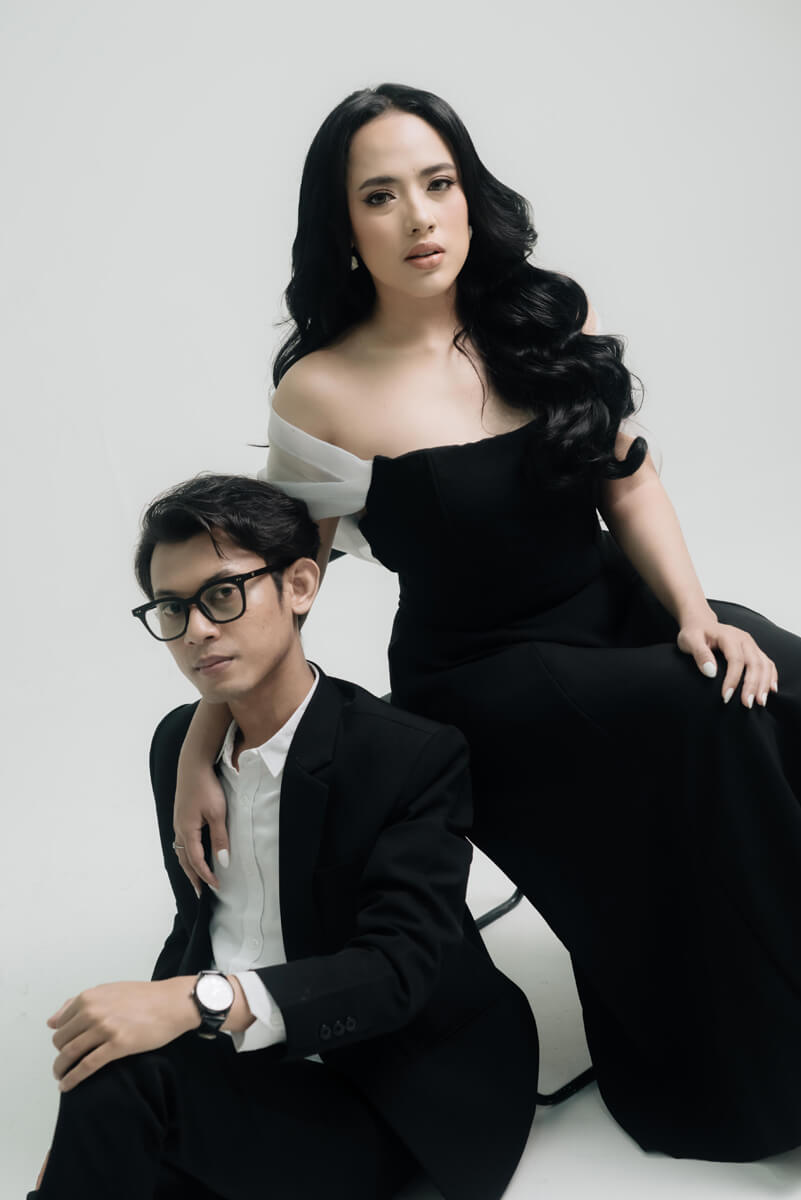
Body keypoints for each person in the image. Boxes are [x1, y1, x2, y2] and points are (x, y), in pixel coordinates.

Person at [173, 85, 801, 1162]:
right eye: (381, 195)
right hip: (486, 673)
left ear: (471, 195)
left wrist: (697, 614)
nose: (419, 217)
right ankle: (760, 1074)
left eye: (439, 183)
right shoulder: (322, 390)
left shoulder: (544, 320)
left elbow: (629, 485)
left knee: (768, 672)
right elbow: (281, 581)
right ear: (343, 227)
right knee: (709, 715)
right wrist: (206, 736)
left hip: (610, 607)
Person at [29, 473, 540, 1200]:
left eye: (221, 594)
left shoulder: (407, 757)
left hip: (393, 1089)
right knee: (109, 1073)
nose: (196, 630)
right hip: (253, 1070)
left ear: (299, 585)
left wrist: (195, 1001)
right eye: (172, 608)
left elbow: (396, 969)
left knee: (122, 1093)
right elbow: (199, 918)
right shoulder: (180, 749)